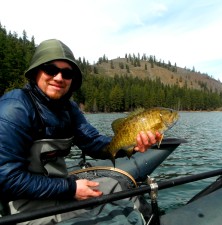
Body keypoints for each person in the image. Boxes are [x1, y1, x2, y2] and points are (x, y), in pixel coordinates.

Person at [0, 39, 161, 224]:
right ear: (36, 72)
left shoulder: (69, 109)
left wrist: (130, 145)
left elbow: (93, 142)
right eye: (51, 70)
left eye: (67, 73)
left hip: (61, 193)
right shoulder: (14, 109)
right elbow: (7, 180)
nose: (59, 77)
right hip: (25, 208)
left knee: (119, 186)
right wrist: (70, 189)